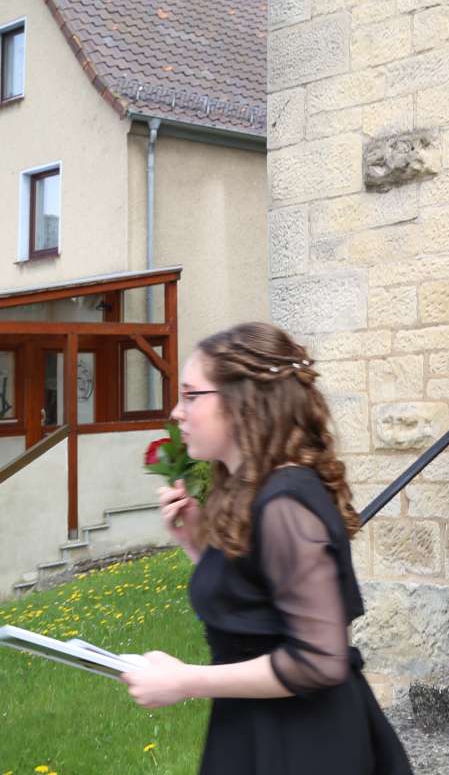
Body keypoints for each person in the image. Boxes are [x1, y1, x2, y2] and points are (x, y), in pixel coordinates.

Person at [120, 322, 412, 775]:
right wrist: (197, 543)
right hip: (258, 732)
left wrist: (183, 681)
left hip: (305, 746)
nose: (177, 412)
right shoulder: (250, 490)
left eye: (191, 395)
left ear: (243, 403)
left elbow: (318, 660)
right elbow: (258, 611)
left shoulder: (285, 503)